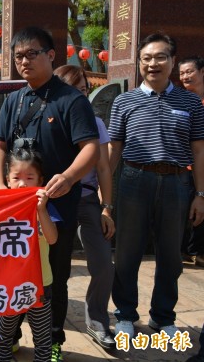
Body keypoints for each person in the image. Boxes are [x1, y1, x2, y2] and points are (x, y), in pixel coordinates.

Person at [0, 26, 99, 362]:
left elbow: (90, 146)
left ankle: (54, 340)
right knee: (10, 272)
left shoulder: (70, 100)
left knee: (53, 277)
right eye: (18, 56)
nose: (24, 61)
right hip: (15, 208)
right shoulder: (14, 100)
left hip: (56, 206)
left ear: (50, 55)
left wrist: (70, 177)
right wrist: (1, 188)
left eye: (32, 53)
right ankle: (8, 337)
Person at [108, 33, 204, 338]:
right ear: (139, 63)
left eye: (160, 57)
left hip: (177, 183)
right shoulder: (124, 101)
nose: (153, 63)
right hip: (134, 180)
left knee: (170, 255)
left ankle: (163, 316)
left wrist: (200, 194)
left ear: (173, 62)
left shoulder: (191, 102)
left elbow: (200, 150)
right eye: (147, 58)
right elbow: (113, 150)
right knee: (127, 252)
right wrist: (104, 197)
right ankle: (125, 313)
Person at [54, 65, 115, 348]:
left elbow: (103, 167)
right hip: (54, 202)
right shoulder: (51, 117)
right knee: (54, 269)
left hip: (88, 199)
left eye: (83, 90)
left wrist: (107, 208)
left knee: (103, 262)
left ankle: (98, 318)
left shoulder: (96, 122)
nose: (80, 96)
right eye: (73, 89)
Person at [0, 147, 58, 362]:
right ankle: (4, 356)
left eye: (29, 177)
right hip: (9, 283)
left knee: (42, 334)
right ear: (7, 180)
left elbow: (52, 238)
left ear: (41, 180)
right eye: (16, 178)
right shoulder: (0, 209)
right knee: (5, 330)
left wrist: (41, 210)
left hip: (40, 282)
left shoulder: (43, 208)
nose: (22, 183)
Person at [179, 56, 204, 267]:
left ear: (202, 72)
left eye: (189, 71)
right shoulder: (180, 102)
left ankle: (198, 251)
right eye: (181, 73)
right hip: (184, 167)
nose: (185, 76)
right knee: (183, 210)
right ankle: (185, 250)